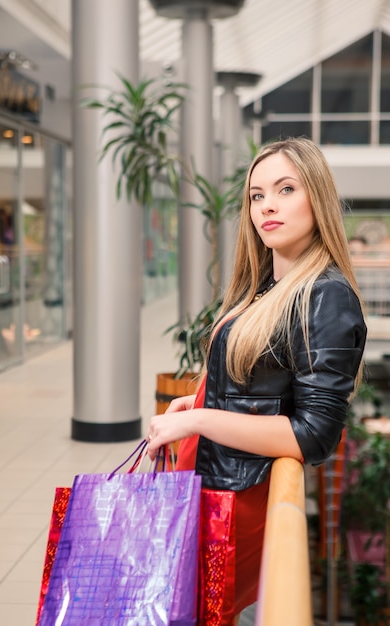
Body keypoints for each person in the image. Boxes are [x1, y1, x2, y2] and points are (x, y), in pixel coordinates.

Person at [147, 137, 367, 625]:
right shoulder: (269, 285)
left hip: (238, 501)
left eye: (286, 189)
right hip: (210, 484)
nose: (267, 205)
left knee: (202, 614)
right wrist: (199, 398)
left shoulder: (325, 296)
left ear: (318, 196)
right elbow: (263, 385)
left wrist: (202, 418)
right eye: (257, 195)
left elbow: (313, 434)